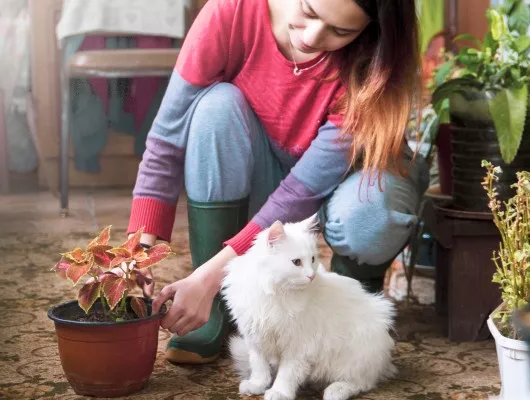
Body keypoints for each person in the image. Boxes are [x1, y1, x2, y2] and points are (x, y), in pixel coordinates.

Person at [126, 0, 429, 365]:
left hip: (350, 181)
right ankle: (220, 308)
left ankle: (352, 310)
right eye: (310, 11)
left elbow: (302, 191)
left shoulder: (373, 62)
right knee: (215, 107)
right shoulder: (232, 12)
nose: (313, 37)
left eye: (341, 31)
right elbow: (167, 136)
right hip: (264, 167)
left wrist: (205, 277)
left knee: (370, 213)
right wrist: (137, 252)